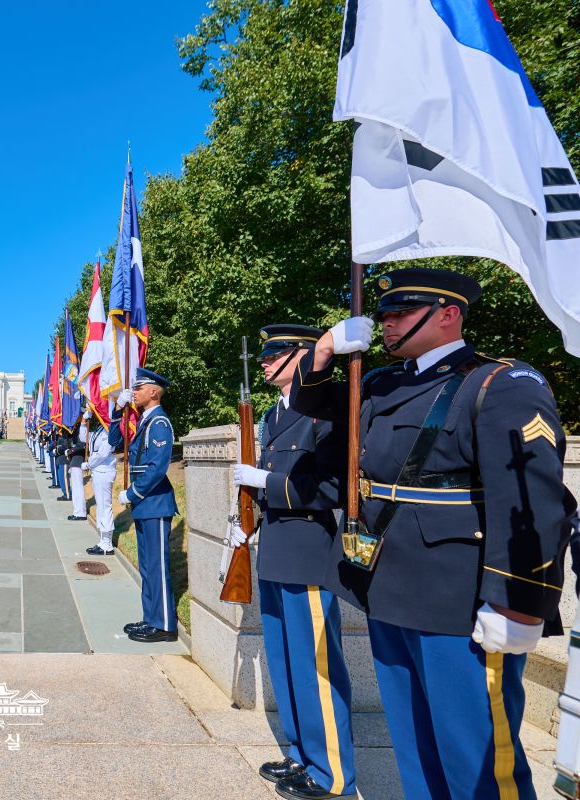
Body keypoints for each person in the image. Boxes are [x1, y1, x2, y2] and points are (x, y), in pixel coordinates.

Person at [290, 268, 575, 800]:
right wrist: (326, 349)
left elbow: (533, 501)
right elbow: (307, 406)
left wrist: (519, 603)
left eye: (401, 312)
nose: (386, 323)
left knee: (479, 762)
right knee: (415, 748)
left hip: (457, 599)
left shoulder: (500, 383)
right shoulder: (379, 383)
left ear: (448, 315)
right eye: (385, 314)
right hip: (389, 589)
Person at [230, 325, 356, 800]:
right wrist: (248, 519)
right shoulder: (270, 415)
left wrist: (266, 480)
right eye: (263, 354)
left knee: (316, 666)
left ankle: (333, 774)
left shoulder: (324, 413)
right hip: (276, 550)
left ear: (303, 356)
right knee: (285, 663)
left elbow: (331, 489)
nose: (264, 362)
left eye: (275, 354)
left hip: (308, 550)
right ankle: (302, 754)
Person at [109, 368, 179, 644]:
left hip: (154, 504)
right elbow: (116, 442)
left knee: (157, 566)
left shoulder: (159, 423)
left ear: (153, 392)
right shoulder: (145, 421)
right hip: (146, 505)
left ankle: (164, 625)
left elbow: (157, 468)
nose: (134, 392)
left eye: (139, 389)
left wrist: (132, 493)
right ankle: (152, 617)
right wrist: (118, 409)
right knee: (148, 566)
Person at [82, 409, 117, 556]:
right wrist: (84, 422)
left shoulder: (109, 429)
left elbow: (103, 452)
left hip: (104, 471)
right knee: (101, 507)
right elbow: (84, 438)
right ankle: (103, 541)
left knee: (104, 506)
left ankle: (107, 544)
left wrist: (89, 464)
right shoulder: (99, 428)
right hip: (98, 471)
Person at [65, 420, 87, 521]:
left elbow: (82, 445)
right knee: (75, 488)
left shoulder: (83, 428)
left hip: (78, 460)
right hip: (75, 460)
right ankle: (77, 511)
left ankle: (80, 512)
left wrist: (70, 451)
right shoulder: (77, 427)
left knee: (78, 488)